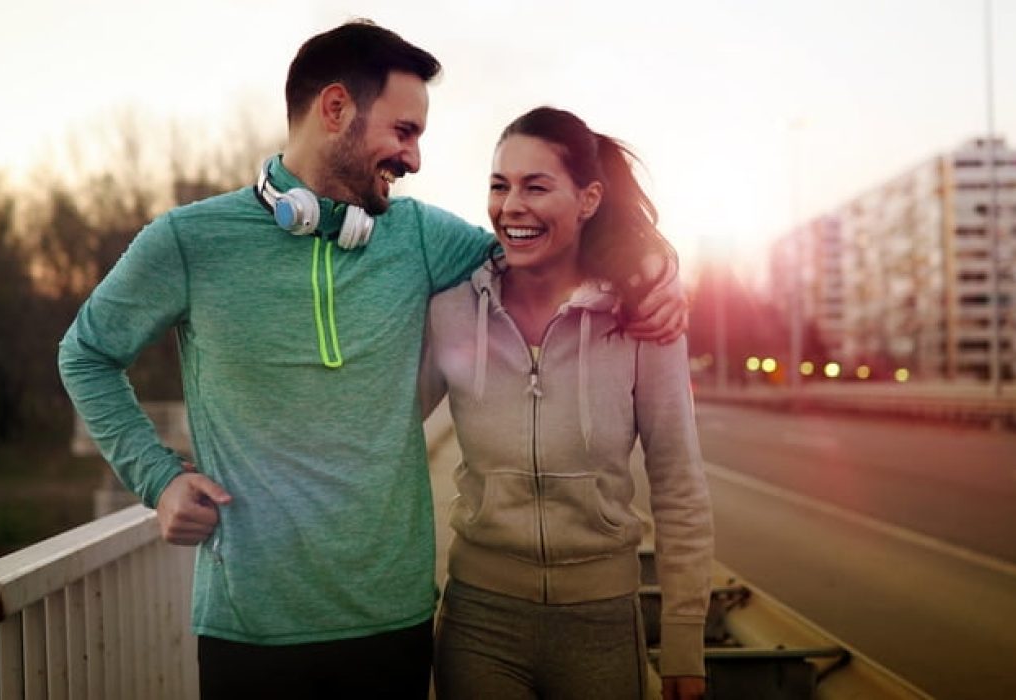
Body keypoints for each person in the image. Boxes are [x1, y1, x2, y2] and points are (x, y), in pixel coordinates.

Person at [58, 21, 687, 700]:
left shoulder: (419, 236)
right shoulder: (187, 241)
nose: (414, 159)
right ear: (335, 110)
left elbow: (545, 245)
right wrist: (158, 479)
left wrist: (655, 259)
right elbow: (86, 354)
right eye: (404, 132)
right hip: (249, 627)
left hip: (394, 623)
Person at [420, 106, 713, 700]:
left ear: (588, 199)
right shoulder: (452, 308)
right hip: (480, 623)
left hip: (602, 625)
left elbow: (678, 480)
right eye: (499, 186)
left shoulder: (641, 316)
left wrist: (684, 636)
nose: (510, 206)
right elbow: (379, 423)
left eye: (536, 186)